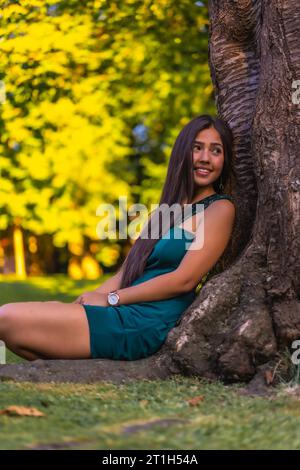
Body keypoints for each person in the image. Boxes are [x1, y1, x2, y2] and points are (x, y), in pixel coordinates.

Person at [0, 114, 236, 361]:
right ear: (183, 153)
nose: (205, 158)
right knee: (20, 333)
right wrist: (84, 302)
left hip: (146, 321)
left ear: (224, 160)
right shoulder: (166, 211)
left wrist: (111, 300)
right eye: (197, 148)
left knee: (7, 318)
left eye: (216, 151)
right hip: (123, 310)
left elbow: (183, 280)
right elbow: (125, 274)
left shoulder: (219, 208)